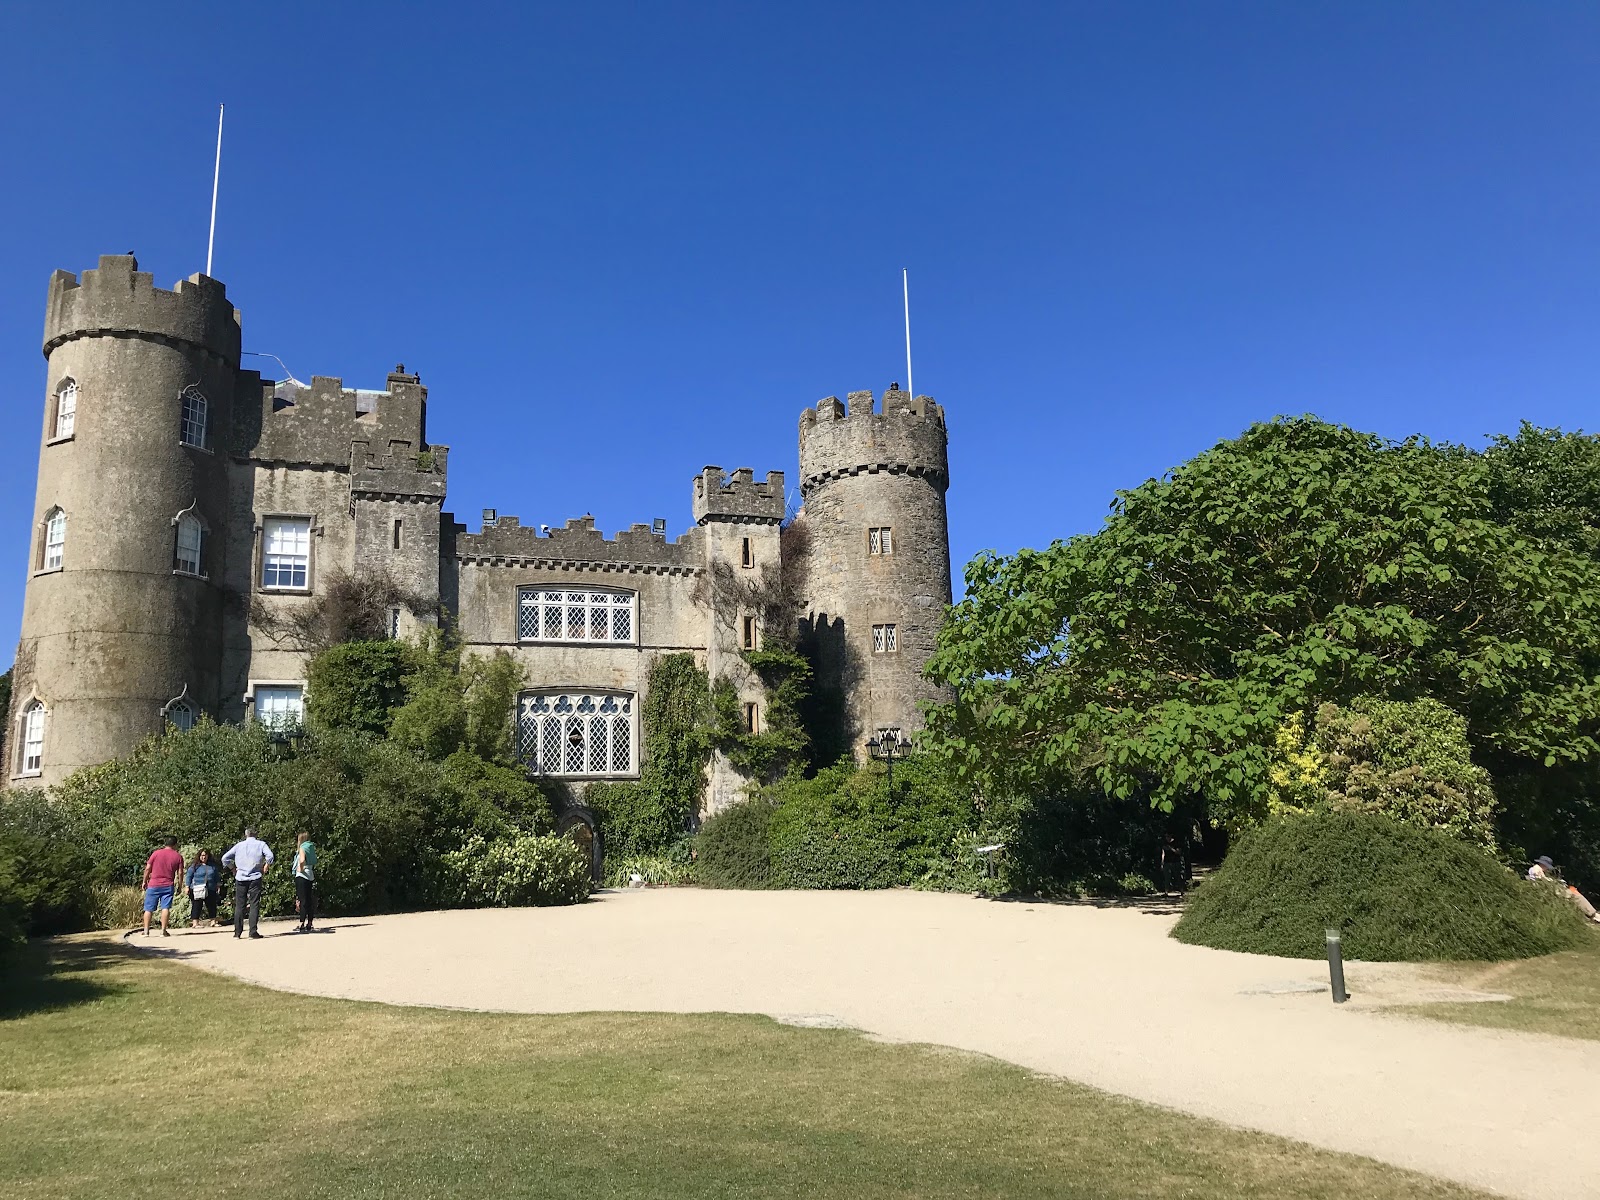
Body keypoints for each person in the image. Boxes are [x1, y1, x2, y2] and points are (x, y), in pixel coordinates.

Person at [222, 826, 274, 939]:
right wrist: (266, 865)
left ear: (246, 834)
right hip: (255, 876)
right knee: (254, 904)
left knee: (240, 905)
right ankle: (252, 931)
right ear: (256, 834)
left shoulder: (239, 845)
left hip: (240, 877)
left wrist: (232, 868)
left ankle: (237, 932)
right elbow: (270, 856)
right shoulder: (261, 844)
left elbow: (224, 858)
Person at [1528, 855, 1600, 924]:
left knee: (1573, 891)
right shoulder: (1536, 869)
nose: (1547, 869)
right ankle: (1593, 914)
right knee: (1575, 894)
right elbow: (1538, 879)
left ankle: (1591, 914)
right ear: (1544, 865)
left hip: (1550, 890)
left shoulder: (1537, 869)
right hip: (1549, 891)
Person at [140, 836, 185, 937]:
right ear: (175, 844)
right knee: (165, 907)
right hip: (168, 884)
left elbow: (148, 868)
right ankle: (163, 931)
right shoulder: (178, 856)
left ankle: (146, 931)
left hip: (153, 884)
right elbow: (180, 873)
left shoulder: (156, 853)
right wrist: (180, 885)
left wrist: (144, 881)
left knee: (148, 908)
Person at [185, 848, 220, 928]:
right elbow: (189, 876)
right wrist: (187, 886)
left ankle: (213, 921)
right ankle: (195, 923)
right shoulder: (194, 866)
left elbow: (216, 876)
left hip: (210, 888)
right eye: (202, 855)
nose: (203, 857)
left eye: (205, 855)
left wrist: (218, 885)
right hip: (197, 888)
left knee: (211, 905)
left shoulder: (212, 866)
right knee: (197, 905)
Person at [292, 832, 317, 933]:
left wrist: (300, 869)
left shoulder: (302, 847)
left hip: (302, 875)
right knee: (309, 899)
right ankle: (310, 922)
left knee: (302, 900)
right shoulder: (310, 847)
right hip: (310, 874)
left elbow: (302, 860)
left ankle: (301, 922)